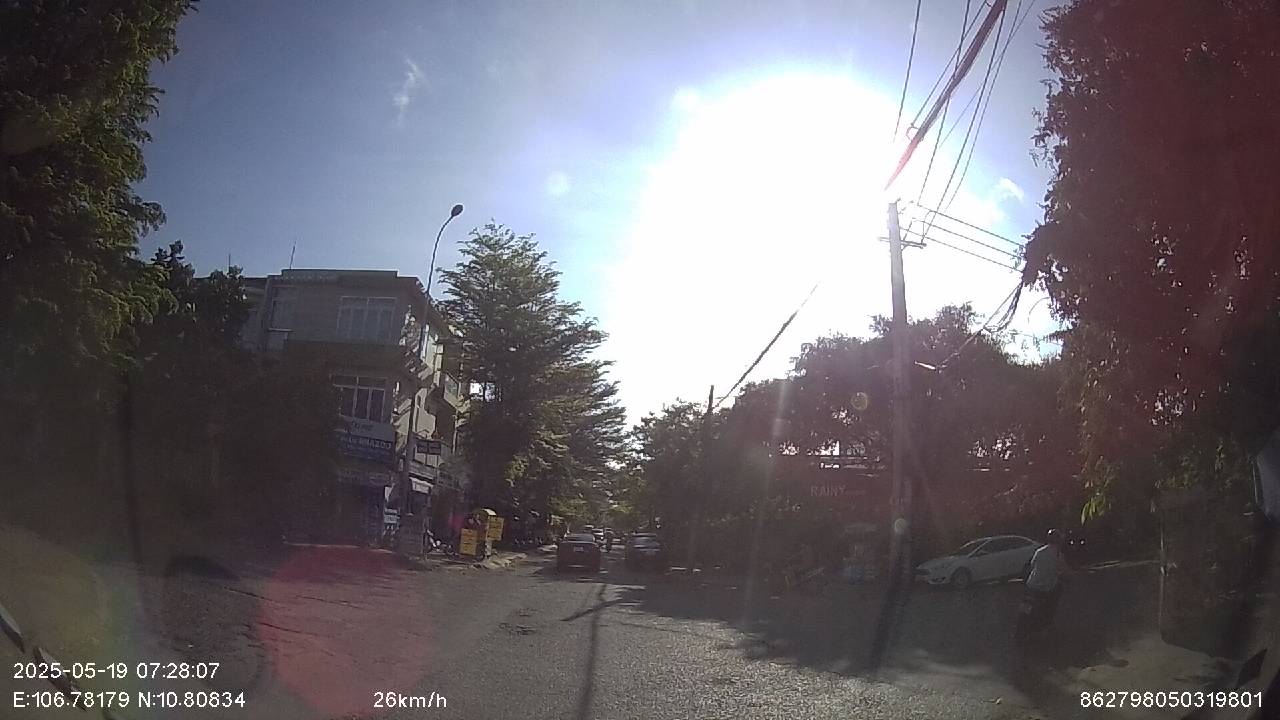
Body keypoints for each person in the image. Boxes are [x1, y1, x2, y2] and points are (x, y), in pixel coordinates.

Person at [1025, 528, 1068, 627]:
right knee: (1056, 593)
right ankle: (1048, 619)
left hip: (1031, 584)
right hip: (1045, 587)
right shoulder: (1058, 555)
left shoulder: (1039, 551)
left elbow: (1032, 565)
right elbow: (1066, 571)